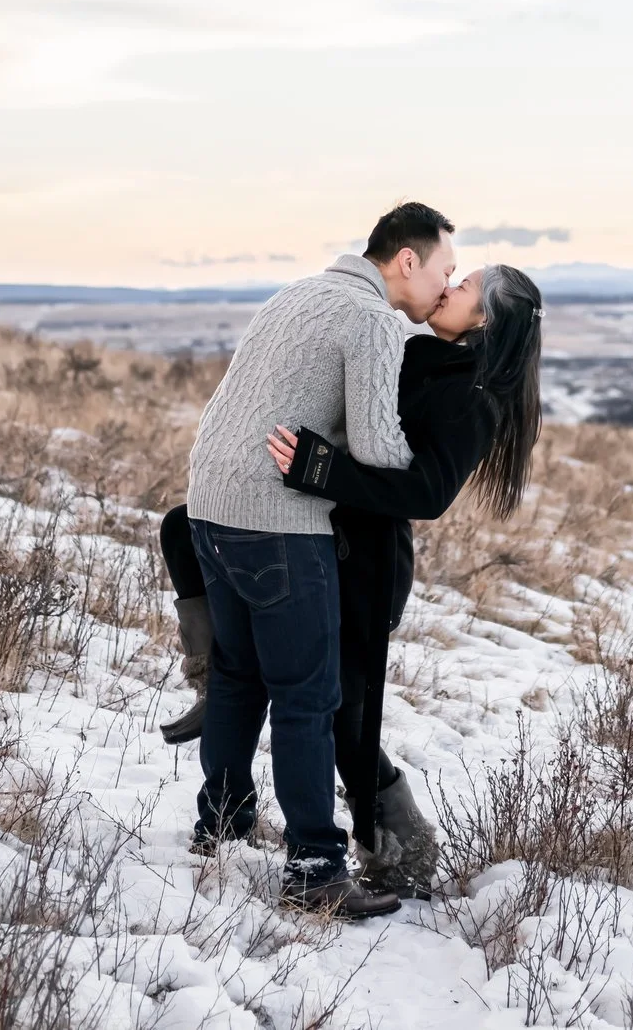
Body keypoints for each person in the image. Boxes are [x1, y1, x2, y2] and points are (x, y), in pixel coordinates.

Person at [156, 264, 545, 895]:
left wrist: (322, 471)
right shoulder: (414, 348)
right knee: (185, 532)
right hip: (311, 535)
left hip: (365, 567)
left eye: (465, 287)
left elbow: (426, 491)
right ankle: (211, 693)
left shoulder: (473, 395)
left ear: (485, 320)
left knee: (343, 722)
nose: (449, 288)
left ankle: (403, 848)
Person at [177, 202, 454, 918]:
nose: (445, 286)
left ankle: (222, 822)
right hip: (276, 520)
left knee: (238, 673)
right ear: (407, 260)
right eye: (445, 270)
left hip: (208, 504)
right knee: (308, 694)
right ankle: (314, 868)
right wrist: (425, 460)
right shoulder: (372, 320)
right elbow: (376, 450)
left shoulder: (295, 291)